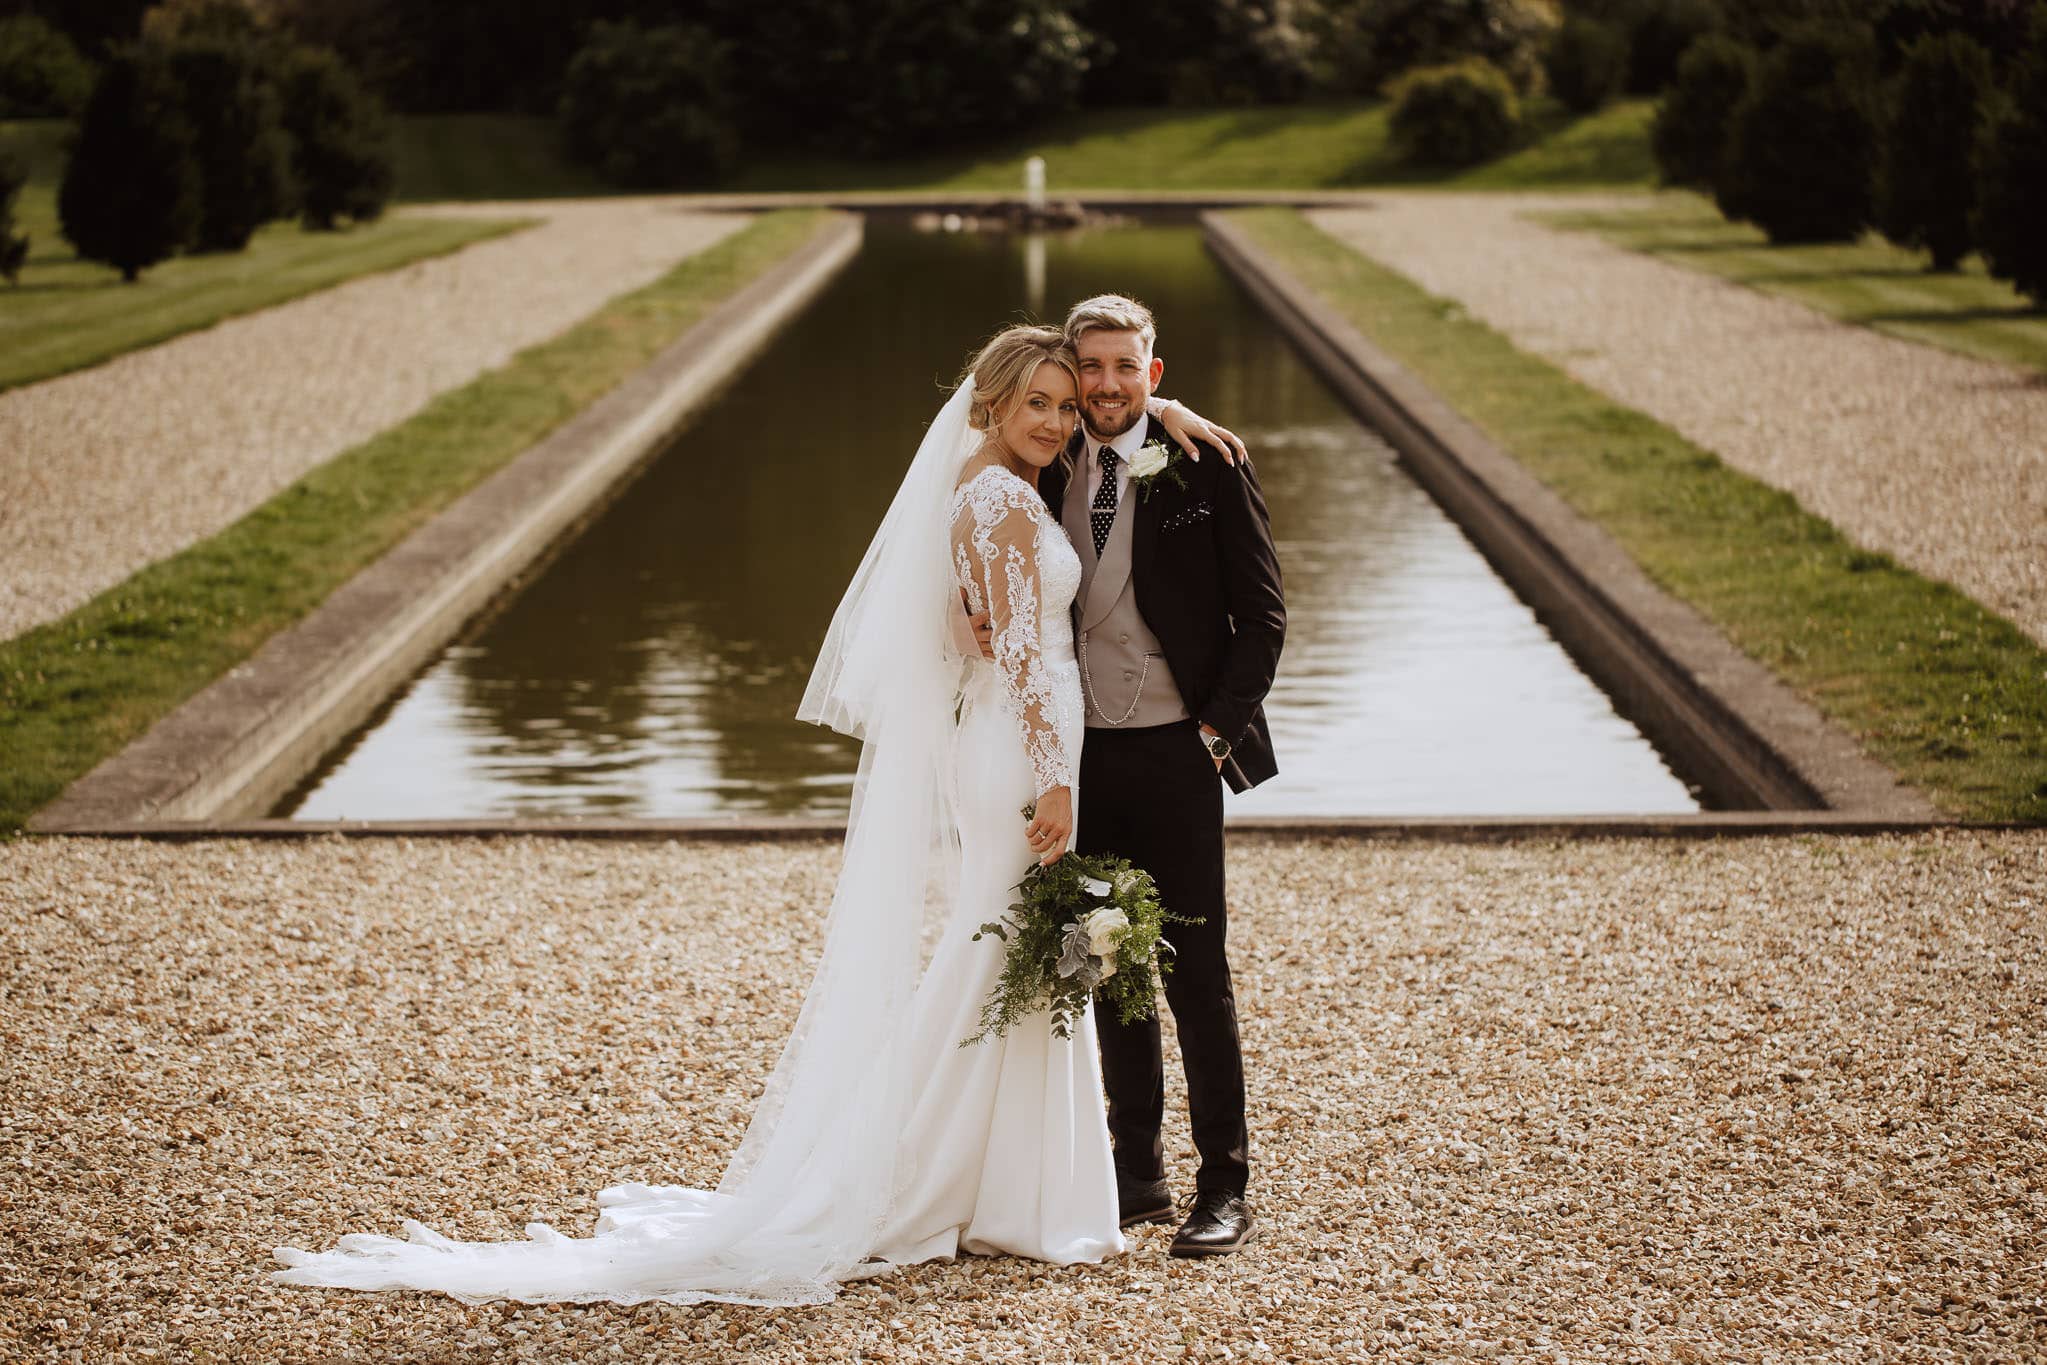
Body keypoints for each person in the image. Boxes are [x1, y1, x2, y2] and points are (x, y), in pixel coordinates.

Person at [269, 325, 1246, 1306]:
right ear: (990, 404)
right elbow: (1029, 656)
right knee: (1004, 946)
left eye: (1066, 404)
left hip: (1026, 743)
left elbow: (1028, 564)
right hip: (1022, 755)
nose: (1059, 419)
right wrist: (1055, 782)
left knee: (1017, 946)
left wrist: (1163, 410)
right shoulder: (996, 495)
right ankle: (936, 1182)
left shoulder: (1005, 476)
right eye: (1037, 402)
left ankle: (1011, 1183)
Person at [965, 295, 1284, 1258]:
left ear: (1153, 368)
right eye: (1087, 368)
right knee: (1103, 959)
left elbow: (1264, 620)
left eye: (1123, 367)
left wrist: (1211, 735)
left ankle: (1223, 1184)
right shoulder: (1048, 453)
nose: (1101, 387)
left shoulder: (1207, 464)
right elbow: (987, 453)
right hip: (1077, 756)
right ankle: (1134, 1172)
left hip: (1179, 750)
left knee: (1196, 969)